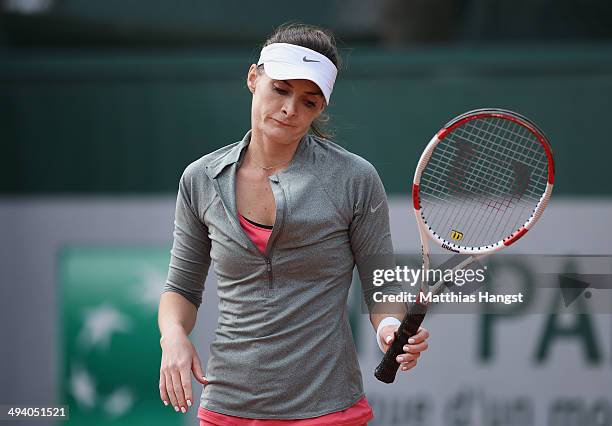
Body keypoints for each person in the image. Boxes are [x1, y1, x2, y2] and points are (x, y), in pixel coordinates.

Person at [157, 23, 430, 425]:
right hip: (226, 408)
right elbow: (180, 288)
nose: (290, 110)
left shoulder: (355, 179)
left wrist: (389, 327)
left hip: (329, 409)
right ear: (254, 78)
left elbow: (381, 286)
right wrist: (174, 337)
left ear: (322, 108)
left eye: (309, 102)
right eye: (281, 90)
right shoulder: (200, 179)